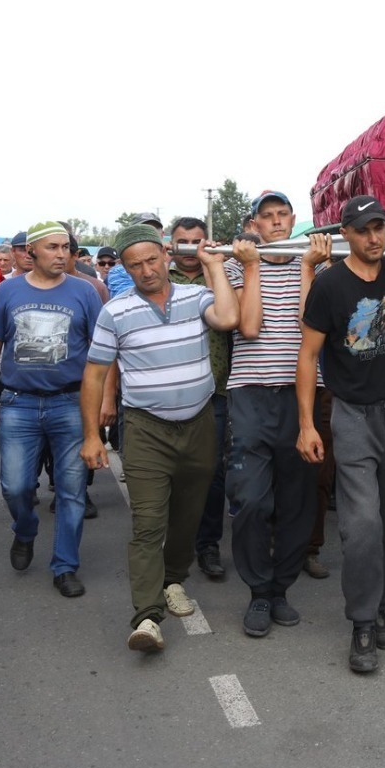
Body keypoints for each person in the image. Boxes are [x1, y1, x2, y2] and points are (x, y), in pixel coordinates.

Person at [80, 223, 238, 653]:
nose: (146, 270)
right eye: (135, 265)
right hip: (146, 428)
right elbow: (94, 374)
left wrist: (214, 266)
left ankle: (173, 580)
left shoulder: (195, 296)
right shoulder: (115, 311)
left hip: (200, 423)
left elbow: (227, 318)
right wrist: (92, 435)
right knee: (148, 522)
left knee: (188, 515)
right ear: (126, 270)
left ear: (166, 256)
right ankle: (147, 617)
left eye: (152, 260)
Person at [295, 197, 385, 673]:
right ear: (346, 233)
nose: (374, 237)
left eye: (380, 228)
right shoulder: (330, 285)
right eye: (364, 230)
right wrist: (306, 423)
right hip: (353, 416)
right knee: (361, 527)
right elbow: (308, 356)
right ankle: (360, 621)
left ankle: (379, 606)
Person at [0, 220, 104, 598]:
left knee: (71, 489)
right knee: (15, 487)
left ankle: (65, 565)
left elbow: (101, 354)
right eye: (52, 247)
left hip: (70, 402)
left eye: (66, 247)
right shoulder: (6, 291)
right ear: (31, 251)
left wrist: (102, 404)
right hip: (18, 403)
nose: (62, 254)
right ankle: (26, 530)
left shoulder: (85, 292)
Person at [225, 192, 326, 639]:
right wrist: (250, 267)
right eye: (267, 217)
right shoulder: (236, 265)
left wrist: (307, 269)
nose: (276, 222)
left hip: (302, 396)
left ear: (293, 220)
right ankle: (257, 592)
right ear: (256, 224)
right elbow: (248, 327)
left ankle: (279, 589)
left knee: (298, 499)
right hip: (249, 393)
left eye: (283, 214)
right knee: (251, 498)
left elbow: (311, 327)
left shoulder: (318, 267)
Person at [166, 218, 235, 582]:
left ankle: (208, 544)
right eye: (183, 242)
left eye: (197, 241)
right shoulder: (159, 279)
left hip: (215, 391)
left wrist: (214, 268)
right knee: (171, 471)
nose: (190, 248)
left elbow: (231, 317)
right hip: (169, 391)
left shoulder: (220, 273)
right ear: (171, 244)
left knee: (212, 472)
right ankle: (174, 543)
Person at [106, 213, 162, 296]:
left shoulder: (175, 264)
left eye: (153, 231)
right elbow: (127, 302)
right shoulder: (119, 272)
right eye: (141, 232)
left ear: (162, 235)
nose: (148, 236)